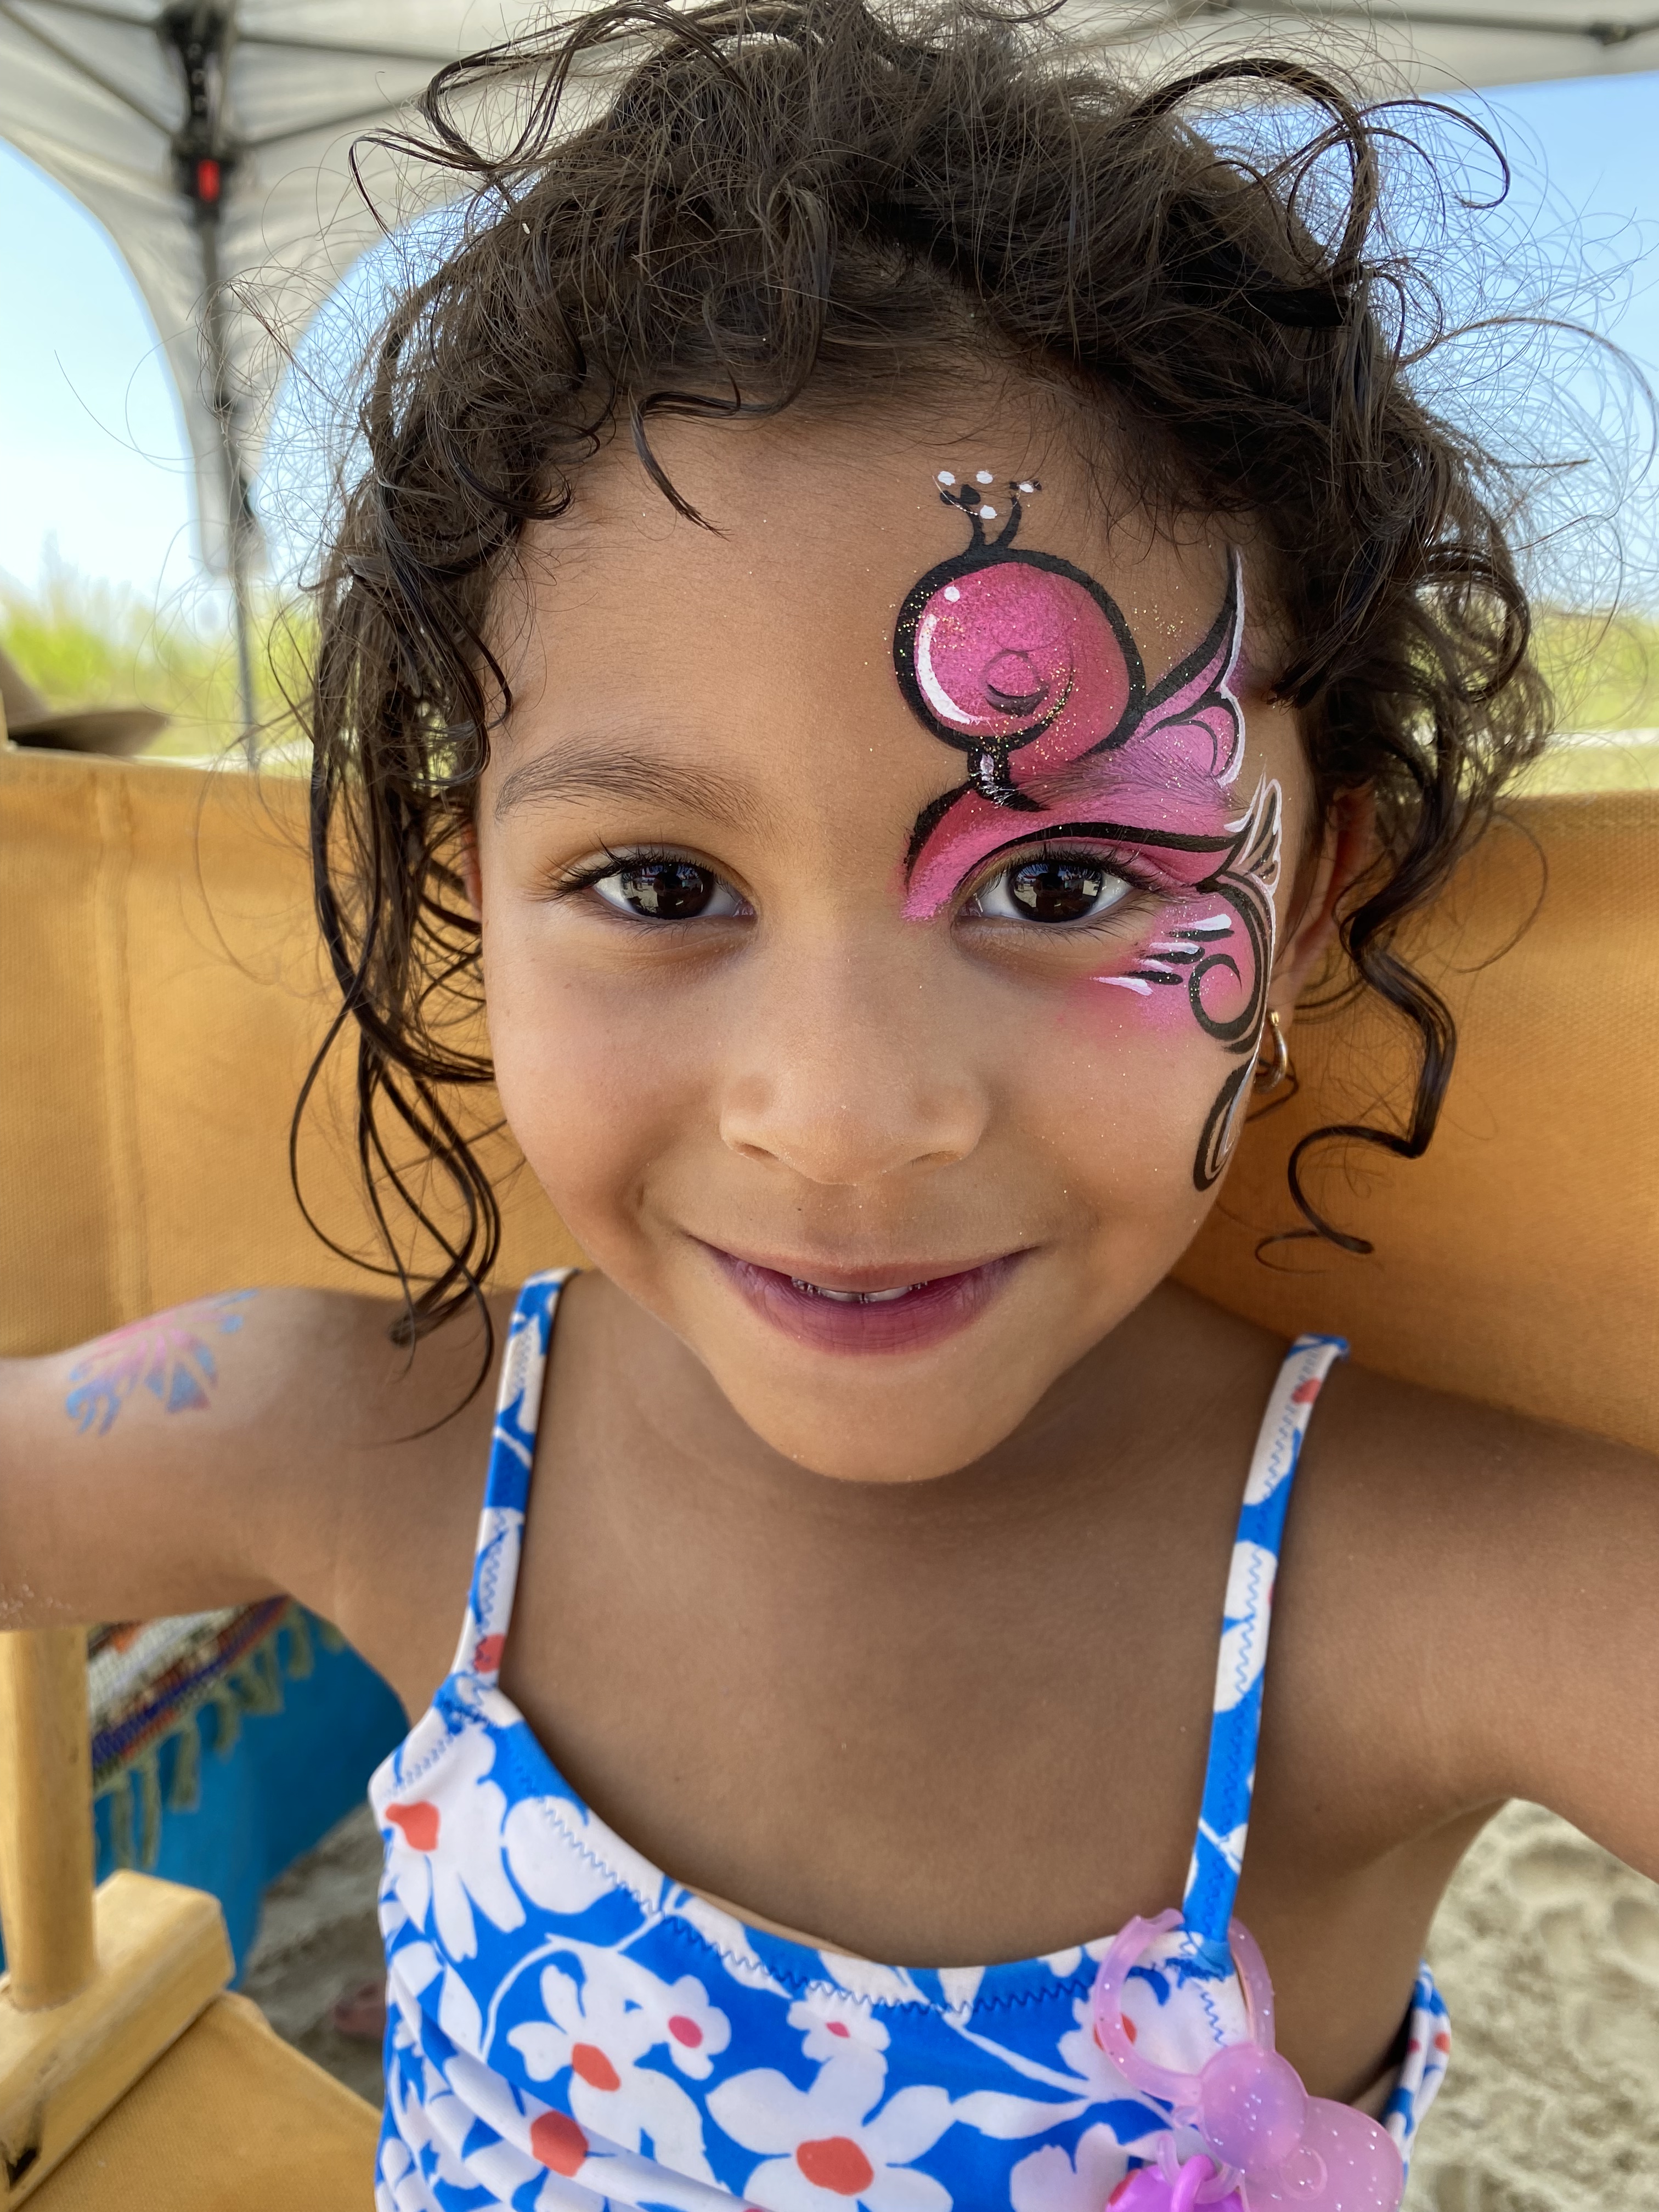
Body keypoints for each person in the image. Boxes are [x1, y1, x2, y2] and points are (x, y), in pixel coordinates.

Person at [2, 4, 1654, 2207]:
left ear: (1323, 889)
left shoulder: (1421, 1586)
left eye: (1066, 880)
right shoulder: (375, 1435)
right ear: (467, 895)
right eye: (661, 885)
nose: (846, 1116)